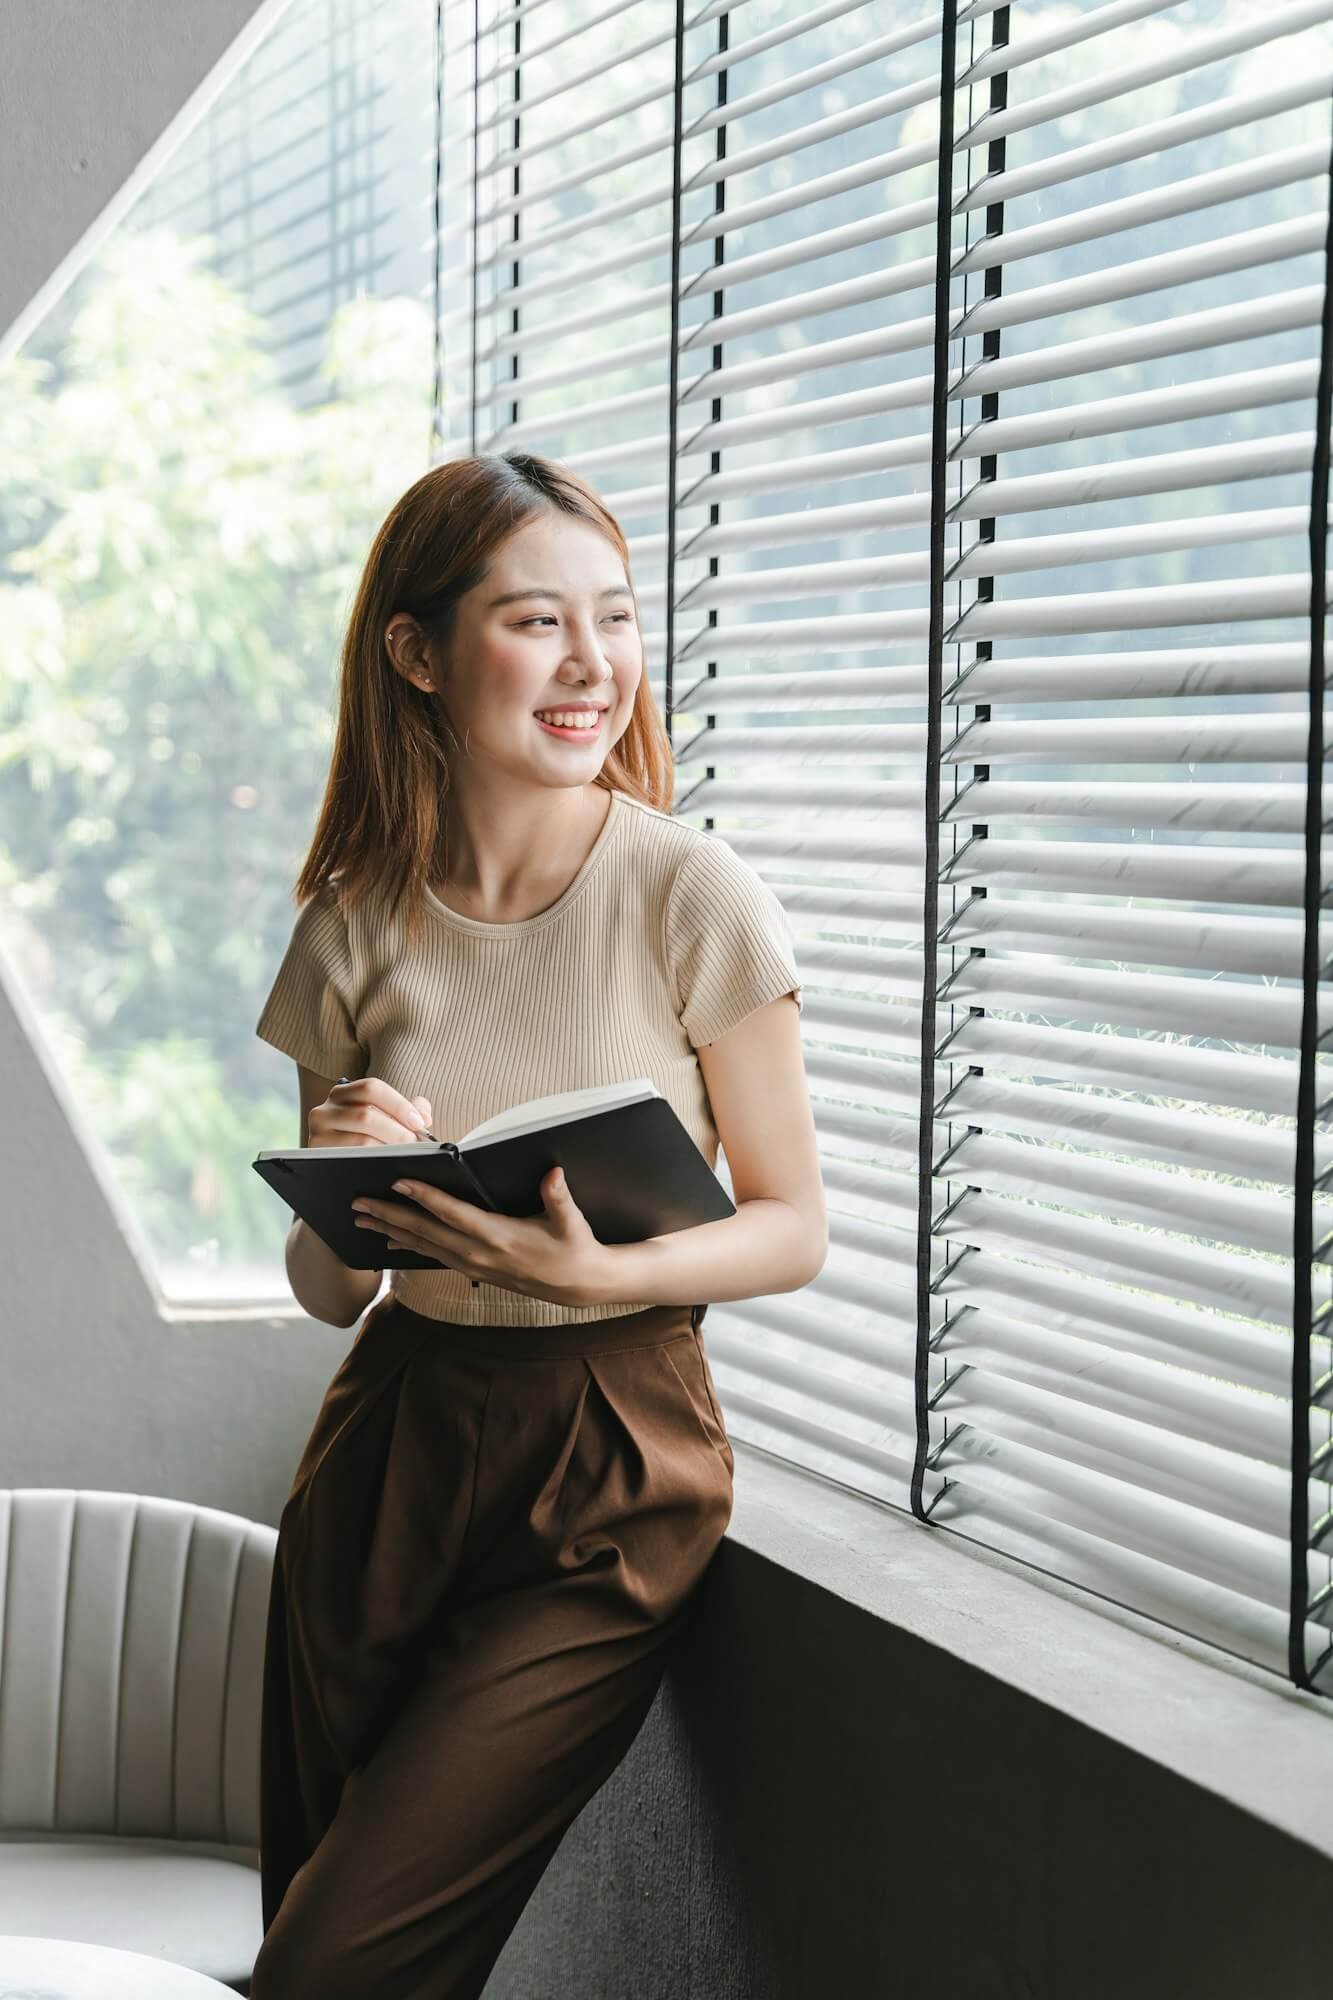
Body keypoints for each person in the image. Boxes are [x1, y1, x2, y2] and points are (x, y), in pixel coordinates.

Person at [248, 449, 827, 1998]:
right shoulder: (352, 924)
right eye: (534, 621)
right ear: (419, 653)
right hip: (389, 1447)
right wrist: (346, 1179)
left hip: (610, 1455)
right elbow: (323, 1293)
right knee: (307, 1906)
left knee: (331, 1965)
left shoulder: (687, 890)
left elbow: (791, 1225)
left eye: (614, 619)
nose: (590, 666)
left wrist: (601, 1269)